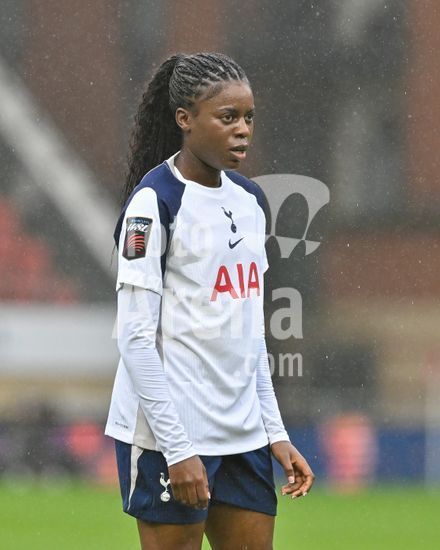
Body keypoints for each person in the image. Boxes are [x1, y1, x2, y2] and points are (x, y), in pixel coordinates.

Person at [105, 52, 314, 550]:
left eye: (248, 118)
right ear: (185, 119)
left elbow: (250, 331)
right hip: (169, 435)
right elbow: (134, 339)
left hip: (243, 436)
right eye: (227, 117)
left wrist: (274, 431)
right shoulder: (154, 203)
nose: (243, 130)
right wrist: (178, 449)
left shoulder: (250, 201)